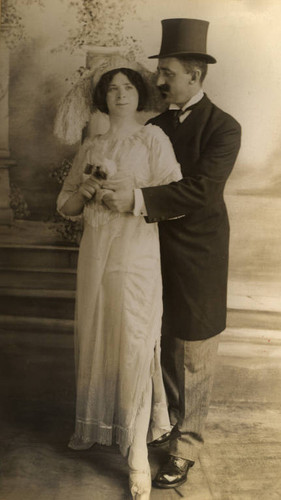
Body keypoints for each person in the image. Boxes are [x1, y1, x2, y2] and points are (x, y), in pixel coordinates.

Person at [101, 18, 242, 489]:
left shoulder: (224, 128)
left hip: (199, 253)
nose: (157, 82)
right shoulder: (155, 125)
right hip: (150, 251)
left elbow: (201, 192)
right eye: (159, 73)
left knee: (195, 351)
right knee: (158, 343)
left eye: (167, 73)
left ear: (195, 76)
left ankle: (186, 447)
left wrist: (138, 200)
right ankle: (165, 426)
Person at [56, 59, 182, 500]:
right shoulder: (91, 146)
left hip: (136, 254)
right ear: (102, 98)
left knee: (133, 341)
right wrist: (84, 194)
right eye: (112, 89)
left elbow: (176, 198)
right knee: (96, 333)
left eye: (128, 87)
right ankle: (92, 422)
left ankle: (135, 457)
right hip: (96, 253)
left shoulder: (154, 138)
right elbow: (66, 206)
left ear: (140, 94)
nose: (121, 94)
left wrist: (135, 197)